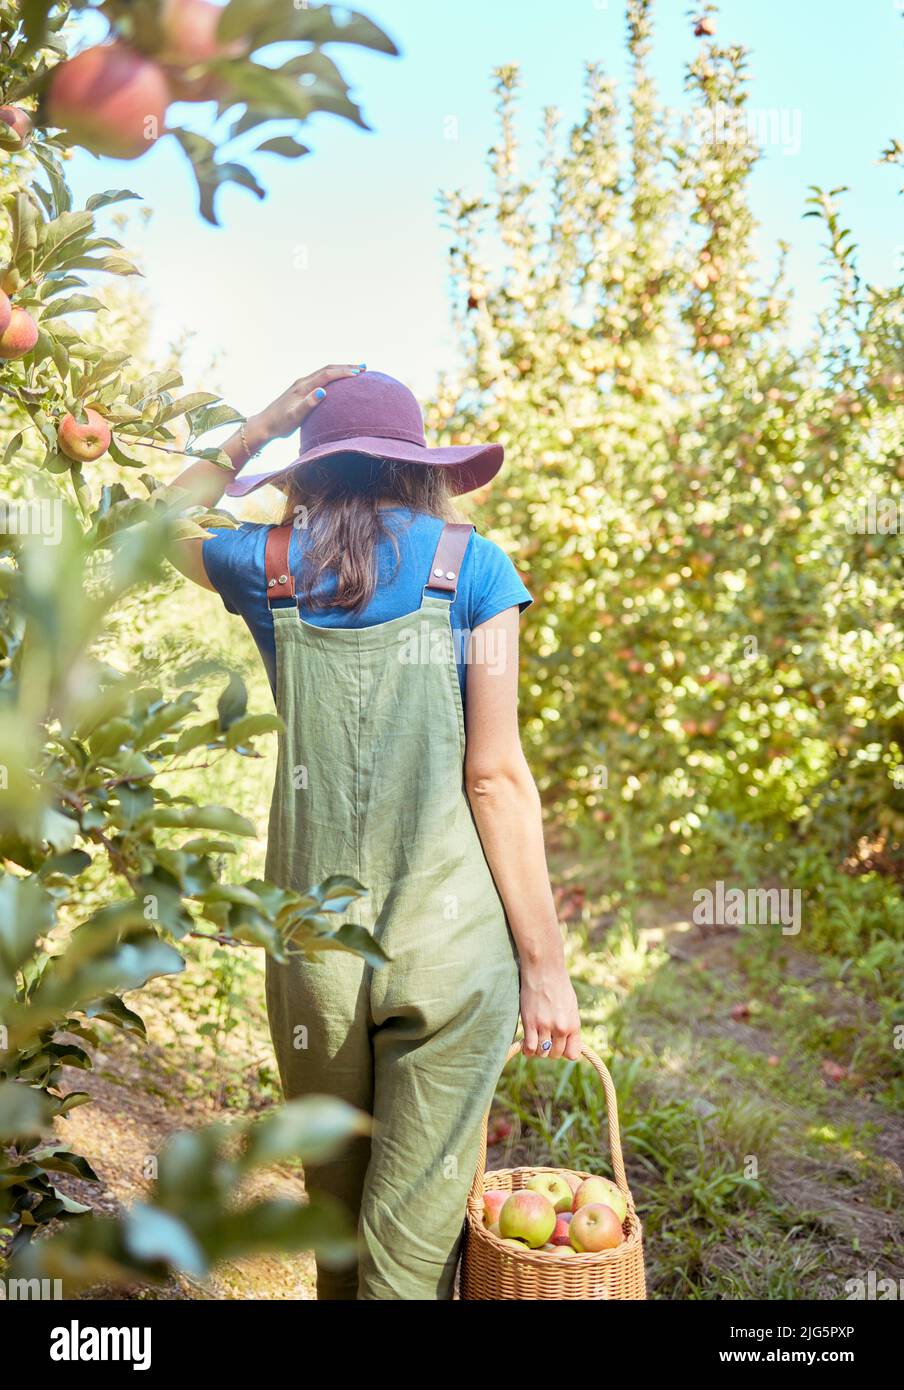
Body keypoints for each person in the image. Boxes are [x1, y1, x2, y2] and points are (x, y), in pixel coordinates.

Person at [171, 363, 581, 1300]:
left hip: (317, 948)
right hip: (451, 945)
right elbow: (496, 776)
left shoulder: (265, 562)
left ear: (312, 471)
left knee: (340, 1230)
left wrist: (256, 428)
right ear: (419, 468)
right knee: (413, 1245)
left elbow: (152, 523)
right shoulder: (474, 566)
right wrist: (545, 966)